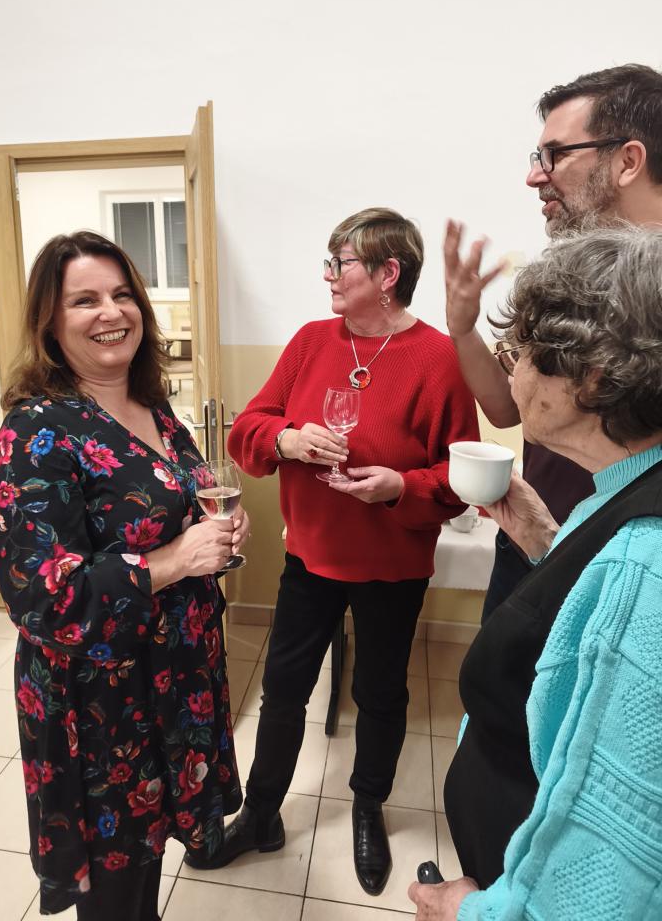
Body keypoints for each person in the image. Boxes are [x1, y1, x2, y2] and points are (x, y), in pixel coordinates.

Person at [184, 207, 479, 895]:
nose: (328, 277)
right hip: (309, 559)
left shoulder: (439, 358)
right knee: (283, 692)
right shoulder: (311, 341)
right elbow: (248, 429)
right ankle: (261, 813)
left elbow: (460, 478)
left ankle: (368, 807)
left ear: (387, 273)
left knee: (379, 694)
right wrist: (287, 440)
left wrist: (398, 486)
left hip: (392, 569)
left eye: (339, 263)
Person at [0, 231, 247, 920]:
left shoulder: (154, 408)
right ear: (49, 321)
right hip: (101, 705)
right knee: (117, 892)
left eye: (123, 294)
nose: (111, 312)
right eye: (85, 300)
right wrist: (177, 559)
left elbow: (182, 502)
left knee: (146, 872)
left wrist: (216, 530)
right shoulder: (34, 434)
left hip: (174, 677)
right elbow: (43, 597)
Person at [410, 227, 662, 920]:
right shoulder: (621, 490)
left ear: (594, 379)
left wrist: (470, 912)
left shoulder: (647, 561)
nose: (511, 372)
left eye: (517, 353)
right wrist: (546, 543)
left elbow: (610, 869)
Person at [444, 63, 662, 622]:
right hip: (532, 537)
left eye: (555, 155)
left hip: (627, 574)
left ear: (628, 161)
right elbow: (508, 409)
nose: (534, 176)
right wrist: (463, 328)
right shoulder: (567, 280)